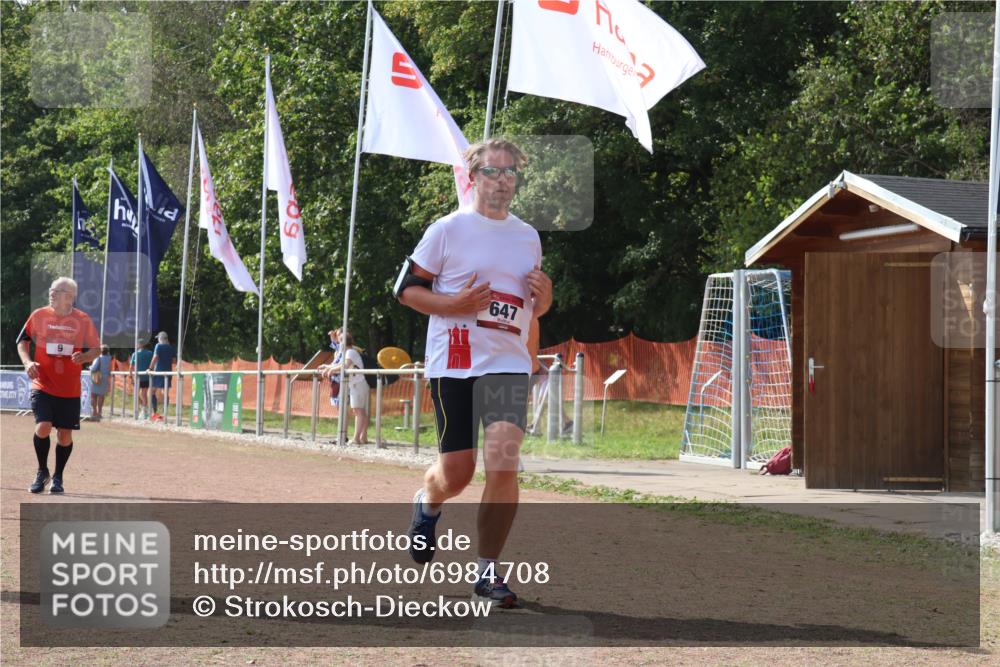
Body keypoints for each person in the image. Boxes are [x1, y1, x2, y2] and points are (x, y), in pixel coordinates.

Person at [397, 138, 552, 608]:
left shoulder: (528, 236)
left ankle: (487, 573)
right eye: (492, 171)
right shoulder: (447, 230)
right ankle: (429, 500)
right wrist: (455, 304)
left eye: (510, 173)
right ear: (473, 176)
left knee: (503, 460)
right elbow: (406, 290)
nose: (502, 181)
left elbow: (532, 308)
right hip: (456, 362)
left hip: (507, 364)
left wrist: (543, 304)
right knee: (457, 473)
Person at [17, 277, 100, 494]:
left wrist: (85, 357)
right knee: (43, 426)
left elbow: (96, 349)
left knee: (64, 435)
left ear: (70, 296)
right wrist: (27, 362)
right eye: (51, 290)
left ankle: (58, 476)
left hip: (69, 388)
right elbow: (22, 341)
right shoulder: (39, 315)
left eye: (57, 290)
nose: (51, 293)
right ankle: (42, 471)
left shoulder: (82, 319)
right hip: (42, 384)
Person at [318, 330, 369, 444]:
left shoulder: (350, 352)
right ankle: (359, 438)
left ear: (343, 342)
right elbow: (339, 364)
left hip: (358, 384)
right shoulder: (348, 352)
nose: (338, 344)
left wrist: (331, 369)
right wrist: (328, 367)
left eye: (339, 341)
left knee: (359, 411)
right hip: (355, 384)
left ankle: (357, 438)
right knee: (358, 411)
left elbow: (344, 365)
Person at [148, 331, 176, 422]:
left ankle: (155, 413)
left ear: (160, 338)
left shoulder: (158, 346)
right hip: (168, 372)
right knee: (165, 393)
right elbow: (174, 360)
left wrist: (150, 368)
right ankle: (165, 414)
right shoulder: (171, 347)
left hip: (158, 372)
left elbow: (155, 357)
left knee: (152, 391)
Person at [128, 341, 153, 418]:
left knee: (136, 394)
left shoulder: (135, 354)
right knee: (144, 394)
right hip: (146, 377)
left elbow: (131, 367)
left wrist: (130, 376)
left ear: (139, 345)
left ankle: (139, 410)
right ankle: (144, 410)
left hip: (137, 377)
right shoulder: (150, 353)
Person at [88, 344, 112, 421]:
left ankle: (94, 411)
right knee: (102, 396)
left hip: (96, 377)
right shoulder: (110, 358)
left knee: (93, 395)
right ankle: (100, 411)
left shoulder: (98, 358)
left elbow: (94, 368)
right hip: (105, 378)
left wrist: (89, 367)